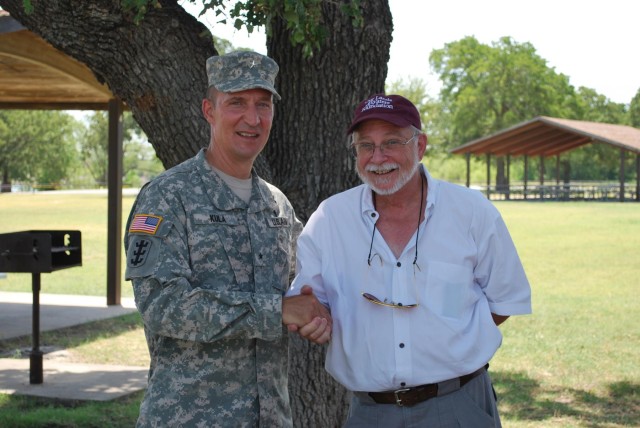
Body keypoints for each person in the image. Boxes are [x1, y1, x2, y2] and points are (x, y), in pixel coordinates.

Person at [287, 94, 532, 427]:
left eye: (391, 142)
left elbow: (501, 304)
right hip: (371, 413)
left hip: (458, 406)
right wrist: (316, 321)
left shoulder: (472, 212)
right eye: (365, 146)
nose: (378, 157)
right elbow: (312, 304)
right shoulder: (330, 219)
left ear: (420, 146)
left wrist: (445, 334)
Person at [124, 50, 331, 427]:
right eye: (236, 103)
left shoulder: (276, 206)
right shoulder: (168, 197)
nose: (252, 119)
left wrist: (320, 315)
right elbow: (162, 304)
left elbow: (312, 285)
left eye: (263, 105)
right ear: (209, 110)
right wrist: (277, 311)